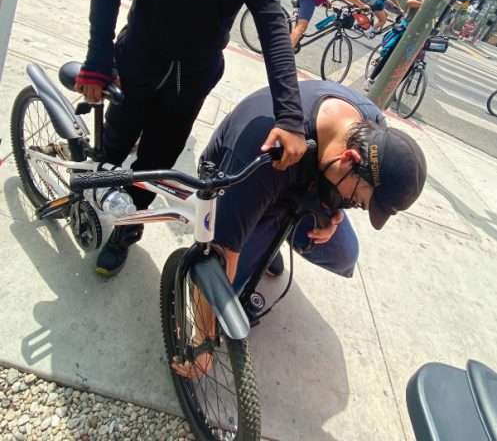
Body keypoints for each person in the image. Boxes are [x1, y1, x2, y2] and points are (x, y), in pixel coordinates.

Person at [74, 0, 307, 276]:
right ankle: (95, 192)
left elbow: (275, 31)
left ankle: (126, 229)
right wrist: (97, 59)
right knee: (113, 145)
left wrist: (291, 116)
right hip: (138, 60)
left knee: (154, 166)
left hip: (192, 81)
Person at [173, 79, 427, 378]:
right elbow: (218, 253)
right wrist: (202, 342)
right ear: (349, 158)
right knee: (216, 294)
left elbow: (340, 183)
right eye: (357, 202)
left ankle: (269, 242)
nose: (352, 205)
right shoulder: (264, 153)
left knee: (344, 253)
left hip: (291, 188)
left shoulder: (371, 129)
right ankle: (261, 234)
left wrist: (330, 211)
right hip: (242, 182)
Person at [363, 0, 427, 91]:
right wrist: (425, 3)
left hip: (419, 35)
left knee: (411, 63)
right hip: (405, 31)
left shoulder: (437, 7)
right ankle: (370, 79)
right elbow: (409, 2)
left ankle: (393, 88)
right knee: (390, 55)